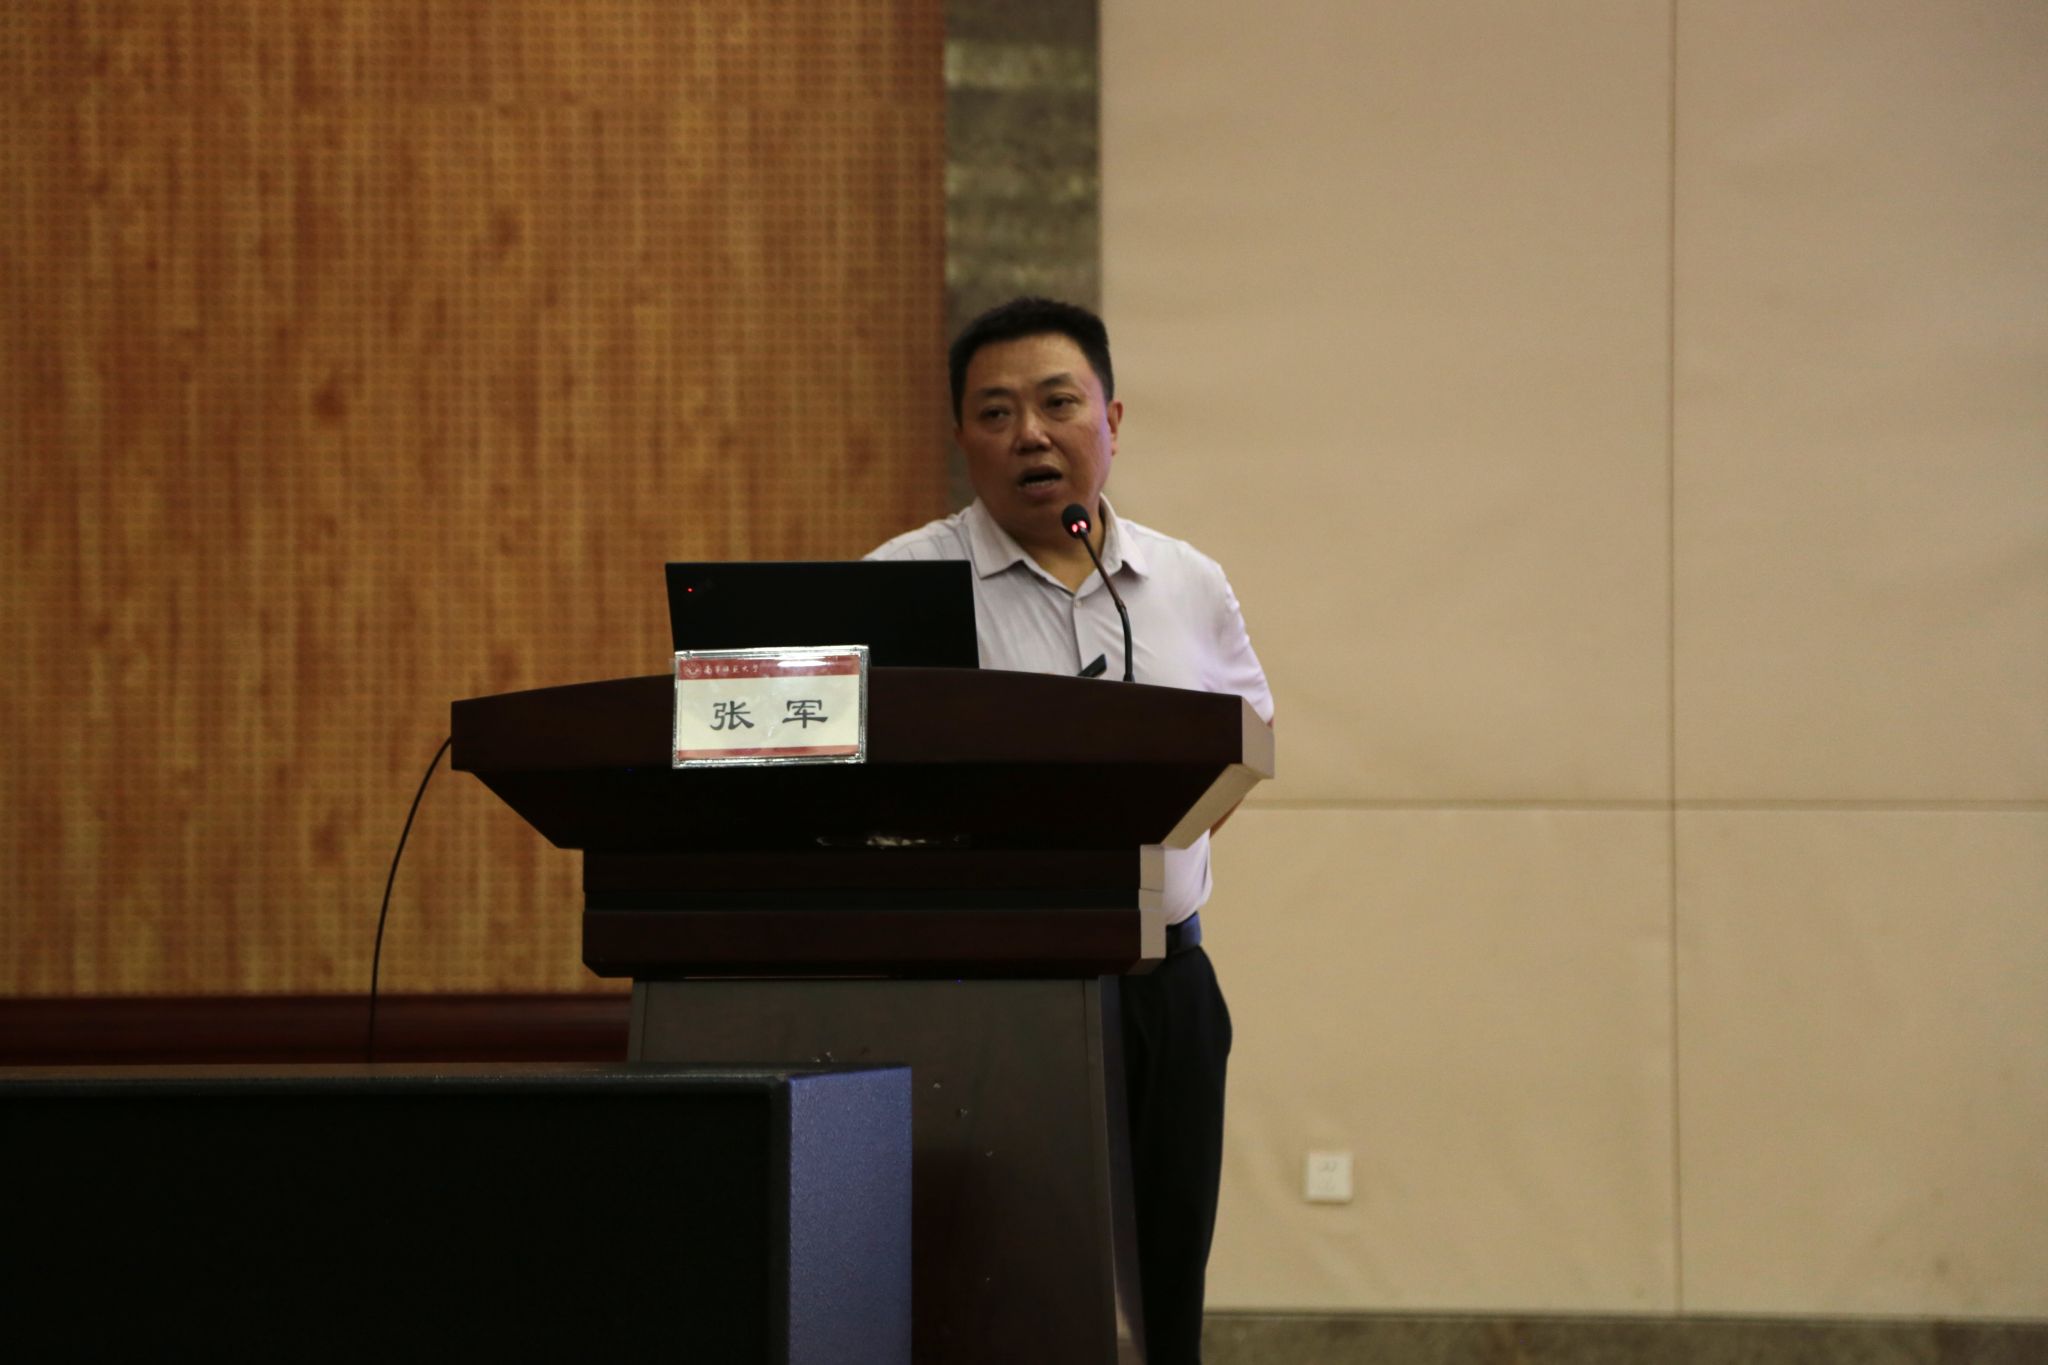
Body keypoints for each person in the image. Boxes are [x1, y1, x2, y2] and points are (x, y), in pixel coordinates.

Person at [868, 297, 1273, 1363]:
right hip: (981, 1001)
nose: (1029, 435)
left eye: (1057, 403)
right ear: (962, 437)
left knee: (1164, 1283)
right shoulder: (900, 585)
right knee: (998, 1288)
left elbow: (1245, 745)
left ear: (1111, 419)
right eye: (995, 412)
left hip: (1163, 990)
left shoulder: (1184, 581)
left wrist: (1152, 846)